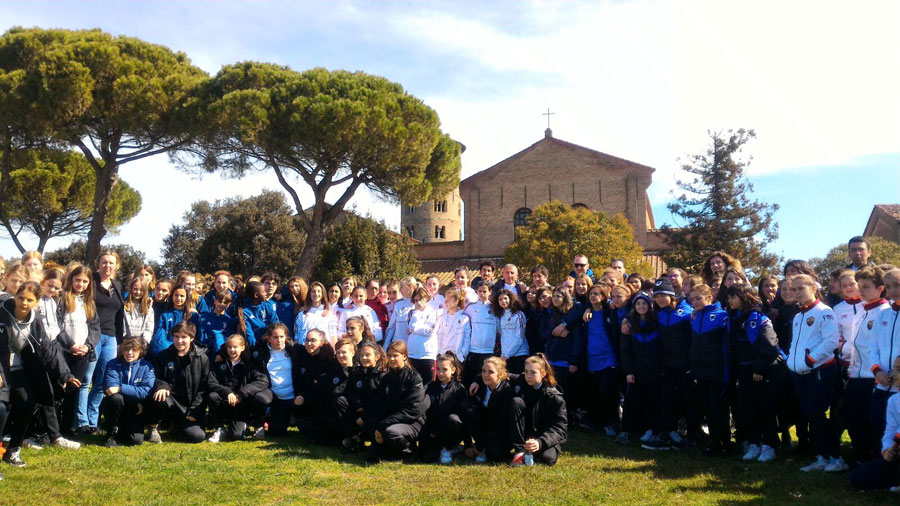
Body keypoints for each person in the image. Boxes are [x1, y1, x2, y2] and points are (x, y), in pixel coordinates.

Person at [0, 281, 81, 468]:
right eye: (20, 298)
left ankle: (13, 451)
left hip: (18, 369)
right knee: (1, 410)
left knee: (26, 401)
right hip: (1, 369)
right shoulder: (2, 312)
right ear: (15, 296)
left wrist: (65, 375)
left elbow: (47, 350)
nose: (23, 303)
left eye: (29, 300)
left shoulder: (35, 320)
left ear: (37, 301)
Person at [786, 274, 841, 472]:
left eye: (801, 288)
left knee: (817, 414)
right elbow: (797, 343)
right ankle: (821, 456)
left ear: (813, 288)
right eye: (794, 289)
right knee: (811, 414)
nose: (797, 292)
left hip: (819, 371)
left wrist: (810, 361)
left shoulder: (824, 312)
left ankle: (836, 457)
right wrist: (792, 362)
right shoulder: (799, 315)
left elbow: (830, 342)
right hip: (800, 373)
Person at [726, 284, 784, 463]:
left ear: (744, 297)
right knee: (746, 408)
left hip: (759, 371)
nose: (729, 301)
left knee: (764, 408)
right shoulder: (732, 318)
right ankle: (754, 442)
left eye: (733, 297)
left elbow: (769, 346)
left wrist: (759, 369)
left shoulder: (758, 318)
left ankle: (770, 445)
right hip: (741, 370)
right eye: (728, 297)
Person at [842, 266, 888, 464]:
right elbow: (854, 345)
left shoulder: (885, 311)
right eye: (860, 286)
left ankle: (877, 460)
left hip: (875, 378)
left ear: (880, 288)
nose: (861, 291)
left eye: (866, 287)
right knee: (854, 419)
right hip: (856, 376)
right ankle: (861, 457)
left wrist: (877, 370)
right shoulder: (861, 311)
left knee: (875, 423)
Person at [362, 340, 427, 463]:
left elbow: (413, 410)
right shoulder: (386, 378)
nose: (391, 359)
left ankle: (410, 451)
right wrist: (377, 426)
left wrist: (383, 425)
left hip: (412, 422)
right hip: (390, 421)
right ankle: (392, 450)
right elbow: (380, 405)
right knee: (372, 456)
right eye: (389, 355)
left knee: (391, 432)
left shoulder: (414, 378)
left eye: (395, 355)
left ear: (404, 356)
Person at [146, 322, 210, 444]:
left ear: (191, 338)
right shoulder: (163, 356)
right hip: (170, 400)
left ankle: (177, 426)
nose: (179, 340)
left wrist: (194, 411)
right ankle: (153, 427)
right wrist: (162, 386)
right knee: (159, 396)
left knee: (197, 437)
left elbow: (204, 388)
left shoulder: (202, 358)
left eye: (183, 337)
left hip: (189, 405)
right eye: (176, 336)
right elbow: (153, 377)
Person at [859, 267, 900, 455]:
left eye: (897, 285)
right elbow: (872, 346)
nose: (893, 290)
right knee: (877, 423)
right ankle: (882, 460)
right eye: (889, 286)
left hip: (899, 384)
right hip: (882, 382)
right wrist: (877, 370)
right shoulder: (884, 314)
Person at [57, 264, 101, 435]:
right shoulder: (62, 298)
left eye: (84, 281)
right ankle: (51, 428)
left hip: (82, 353)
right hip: (63, 351)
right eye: (77, 280)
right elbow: (57, 326)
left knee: (74, 390)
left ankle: (67, 428)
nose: (80, 284)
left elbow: (96, 328)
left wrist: (88, 346)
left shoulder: (89, 302)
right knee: (59, 389)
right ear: (71, 280)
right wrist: (70, 344)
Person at [688, 284, 731, 456]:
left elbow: (727, 345)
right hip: (700, 370)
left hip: (717, 370)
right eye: (692, 299)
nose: (695, 302)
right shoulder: (694, 316)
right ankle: (714, 442)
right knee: (707, 407)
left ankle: (725, 443)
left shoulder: (722, 316)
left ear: (709, 297)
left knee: (718, 408)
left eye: (698, 298)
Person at [653, 277, 696, 447]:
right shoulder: (659, 314)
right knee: (668, 399)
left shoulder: (687, 312)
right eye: (657, 296)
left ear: (671, 295)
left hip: (686, 366)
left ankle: (692, 436)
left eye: (663, 295)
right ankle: (666, 433)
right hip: (668, 365)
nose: (660, 299)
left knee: (689, 402)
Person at [617, 292, 663, 449]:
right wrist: (629, 371)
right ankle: (626, 431)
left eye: (644, 303)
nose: (641, 306)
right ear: (634, 307)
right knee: (631, 400)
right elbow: (625, 351)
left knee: (653, 401)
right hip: (635, 370)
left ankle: (652, 430)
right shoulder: (629, 325)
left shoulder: (657, 322)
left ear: (650, 305)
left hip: (653, 370)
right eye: (638, 304)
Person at [849, 354, 900, 491]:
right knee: (858, 477)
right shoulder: (894, 400)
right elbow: (890, 431)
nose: (893, 374)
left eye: (898, 370)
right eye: (894, 369)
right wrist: (887, 450)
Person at [206, 334, 269, 443]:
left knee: (236, 435)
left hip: (242, 405)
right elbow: (211, 382)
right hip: (224, 402)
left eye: (235, 347)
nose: (232, 350)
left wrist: (241, 394)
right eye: (229, 347)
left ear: (243, 348)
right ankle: (219, 428)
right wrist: (227, 392)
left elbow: (262, 381)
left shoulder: (249, 364)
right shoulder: (219, 362)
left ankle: (248, 424)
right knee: (212, 396)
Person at [89, 250, 126, 432]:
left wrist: (119, 340)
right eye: (104, 262)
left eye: (111, 263)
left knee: (102, 381)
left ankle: (92, 420)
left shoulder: (117, 285)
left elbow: (119, 315)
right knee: (86, 379)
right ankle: (81, 421)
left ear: (116, 266)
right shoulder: (90, 282)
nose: (107, 266)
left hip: (111, 337)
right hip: (92, 335)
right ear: (98, 264)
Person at [508, 354, 568, 466]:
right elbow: (500, 374)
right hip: (525, 434)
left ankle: (532, 450)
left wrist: (540, 442)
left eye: (533, 372)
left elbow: (560, 428)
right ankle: (520, 450)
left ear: (543, 374)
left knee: (547, 459)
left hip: (543, 435)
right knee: (516, 401)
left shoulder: (554, 396)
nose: (528, 376)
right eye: (526, 371)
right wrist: (477, 381)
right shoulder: (521, 382)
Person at [296, 337, 356, 445]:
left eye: (344, 352)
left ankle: (352, 436)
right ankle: (337, 439)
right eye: (338, 352)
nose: (340, 355)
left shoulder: (358, 373)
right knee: (303, 424)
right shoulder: (333, 372)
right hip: (332, 415)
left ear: (352, 353)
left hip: (351, 416)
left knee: (339, 401)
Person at [581, 284, 621, 437]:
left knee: (607, 391)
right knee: (595, 391)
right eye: (591, 293)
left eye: (597, 294)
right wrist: (587, 309)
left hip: (609, 358)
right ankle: (597, 421)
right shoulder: (586, 315)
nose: (593, 296)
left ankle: (611, 422)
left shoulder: (609, 312)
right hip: (592, 358)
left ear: (604, 296)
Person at [102, 337, 155, 447]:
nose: (129, 353)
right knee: (116, 398)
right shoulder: (112, 364)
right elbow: (111, 389)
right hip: (119, 406)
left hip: (135, 410)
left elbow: (145, 392)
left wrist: (121, 388)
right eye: (126, 349)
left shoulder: (147, 366)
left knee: (136, 441)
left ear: (140, 351)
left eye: (134, 350)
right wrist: (135, 402)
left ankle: (122, 430)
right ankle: (111, 433)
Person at [464, 356, 518, 464]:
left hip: (501, 433)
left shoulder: (507, 392)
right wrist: (468, 445)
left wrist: (479, 446)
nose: (485, 375)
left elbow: (501, 424)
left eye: (490, 372)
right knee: (469, 409)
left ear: (500, 374)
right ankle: (481, 448)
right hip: (485, 430)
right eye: (483, 371)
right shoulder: (479, 388)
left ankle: (484, 449)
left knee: (495, 456)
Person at [418, 351, 468, 464]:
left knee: (453, 419)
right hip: (433, 431)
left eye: (444, 369)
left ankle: (450, 448)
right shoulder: (431, 387)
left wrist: (468, 444)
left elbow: (464, 416)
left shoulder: (459, 389)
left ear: (453, 370)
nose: (440, 373)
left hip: (450, 428)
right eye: (438, 369)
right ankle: (443, 448)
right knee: (426, 457)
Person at [341, 341, 386, 452]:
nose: (364, 358)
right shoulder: (357, 373)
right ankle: (354, 438)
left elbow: (380, 401)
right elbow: (349, 393)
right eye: (362, 355)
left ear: (377, 357)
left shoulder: (383, 376)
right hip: (357, 409)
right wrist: (357, 405)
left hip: (372, 414)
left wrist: (365, 415)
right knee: (341, 403)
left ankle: (364, 440)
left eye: (367, 355)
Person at [463, 283, 499, 387]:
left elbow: (499, 329)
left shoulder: (494, 308)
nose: (482, 294)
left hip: (488, 351)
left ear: (490, 292)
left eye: (485, 291)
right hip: (473, 350)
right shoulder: (471, 307)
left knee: (484, 380)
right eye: (480, 291)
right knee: (470, 378)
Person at [150, 283, 199, 357]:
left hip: (187, 354)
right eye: (176, 295)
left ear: (187, 298)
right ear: (171, 296)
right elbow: (159, 338)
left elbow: (196, 338)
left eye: (182, 296)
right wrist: (172, 350)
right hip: (167, 353)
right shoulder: (165, 316)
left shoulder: (192, 315)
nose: (178, 298)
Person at [405, 286, 440, 383]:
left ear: (426, 298)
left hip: (427, 355)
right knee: (412, 383)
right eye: (415, 300)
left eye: (420, 299)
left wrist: (415, 329)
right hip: (412, 354)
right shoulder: (412, 313)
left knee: (429, 384)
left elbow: (429, 331)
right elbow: (410, 326)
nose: (418, 302)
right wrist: (417, 314)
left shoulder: (433, 312)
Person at [493, 288, 529, 374]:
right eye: (500, 299)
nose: (503, 301)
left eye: (505, 298)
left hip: (519, 354)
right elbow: (502, 334)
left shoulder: (519, 315)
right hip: (505, 355)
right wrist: (504, 354)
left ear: (511, 299)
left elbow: (520, 338)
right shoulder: (500, 316)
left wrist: (507, 355)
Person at [295, 281, 339, 345]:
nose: (316, 294)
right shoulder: (302, 314)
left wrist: (334, 351)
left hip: (322, 349)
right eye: (313, 291)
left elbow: (333, 335)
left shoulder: (328, 313)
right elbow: (297, 335)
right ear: (309, 294)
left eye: (319, 291)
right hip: (304, 348)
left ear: (322, 294)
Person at [237, 281, 279, 347]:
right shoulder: (244, 312)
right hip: (255, 346)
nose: (266, 293)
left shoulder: (268, 306)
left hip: (270, 342)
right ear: (256, 295)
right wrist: (256, 348)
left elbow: (275, 324)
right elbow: (249, 334)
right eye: (263, 292)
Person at [198, 290, 238, 358]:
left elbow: (229, 338)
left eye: (225, 302)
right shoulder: (204, 318)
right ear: (215, 301)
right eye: (220, 301)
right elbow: (202, 335)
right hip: (205, 352)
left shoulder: (229, 321)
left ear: (229, 304)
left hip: (222, 353)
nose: (222, 304)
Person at [437, 287, 472, 361]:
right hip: (443, 354)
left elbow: (467, 338)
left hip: (457, 356)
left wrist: (462, 354)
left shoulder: (464, 318)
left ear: (456, 302)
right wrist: (439, 352)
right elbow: (440, 336)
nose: (445, 303)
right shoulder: (442, 317)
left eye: (447, 301)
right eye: (445, 301)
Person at [383, 276, 416, 349]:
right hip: (398, 347)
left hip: (413, 347)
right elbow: (391, 327)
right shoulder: (398, 304)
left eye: (402, 287)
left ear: (410, 287)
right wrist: (385, 346)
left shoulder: (419, 304)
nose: (400, 290)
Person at [123, 277, 154, 345]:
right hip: (125, 343)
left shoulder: (148, 308)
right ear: (131, 289)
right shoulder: (124, 306)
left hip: (140, 345)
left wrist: (144, 342)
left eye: (141, 290)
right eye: (135, 289)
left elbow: (149, 329)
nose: (138, 292)